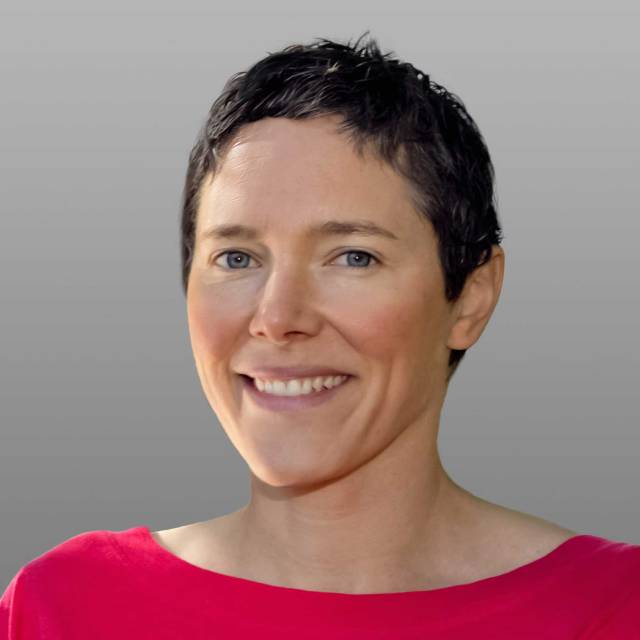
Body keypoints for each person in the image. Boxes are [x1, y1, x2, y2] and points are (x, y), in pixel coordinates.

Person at [1, 31, 638, 639]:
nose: (278, 317)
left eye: (354, 257)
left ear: (471, 297)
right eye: (237, 258)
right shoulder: (65, 607)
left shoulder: (610, 607)